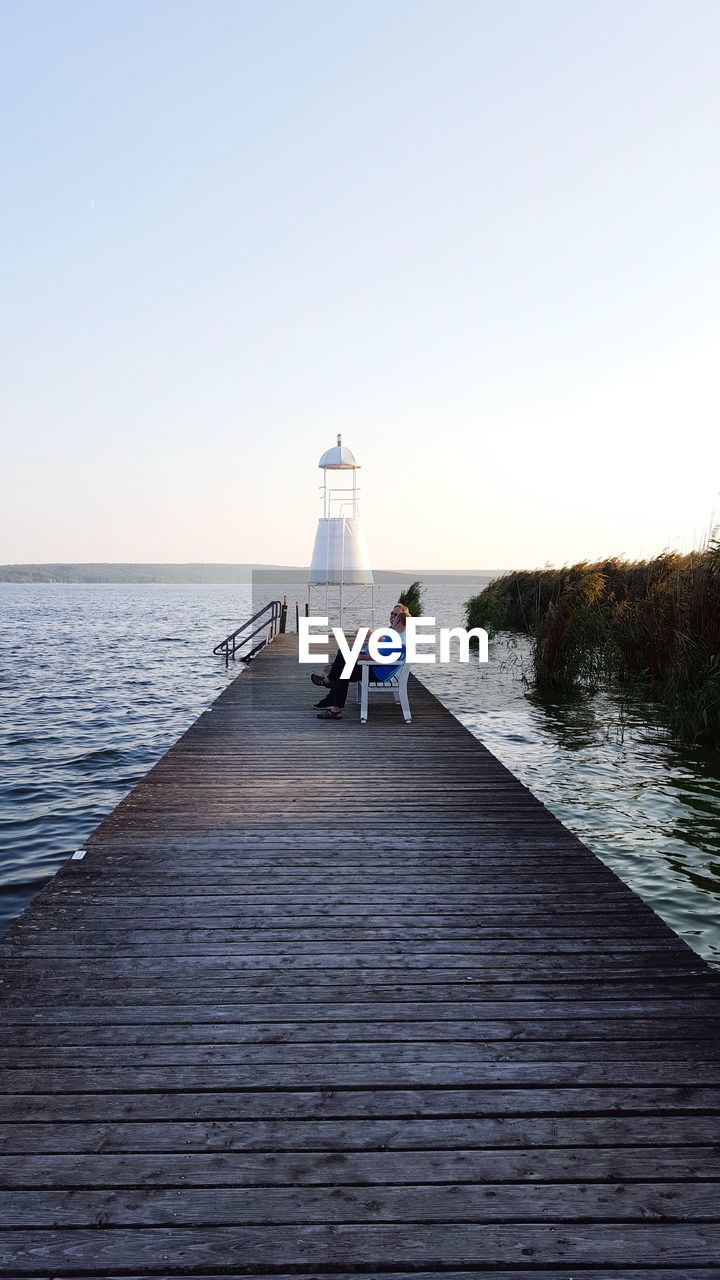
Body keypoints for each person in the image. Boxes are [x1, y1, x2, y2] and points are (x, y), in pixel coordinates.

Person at [312, 603, 410, 721]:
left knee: (343, 669)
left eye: (396, 616)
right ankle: (331, 699)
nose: (392, 618)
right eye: (392, 613)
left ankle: (330, 691)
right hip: (376, 667)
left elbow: (376, 657)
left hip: (375, 671)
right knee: (342, 658)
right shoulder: (397, 634)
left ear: (399, 621)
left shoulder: (396, 638)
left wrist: (356, 657)